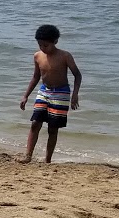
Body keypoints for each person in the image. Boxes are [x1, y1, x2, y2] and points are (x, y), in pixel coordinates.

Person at [19, 23, 83, 164]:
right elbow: (36, 77)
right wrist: (26, 95)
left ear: (55, 42)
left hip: (61, 92)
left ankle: (47, 160)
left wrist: (75, 95)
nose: (43, 48)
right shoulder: (37, 56)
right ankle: (27, 156)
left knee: (53, 128)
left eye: (46, 45)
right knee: (35, 123)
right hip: (44, 91)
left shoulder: (65, 56)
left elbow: (77, 75)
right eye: (40, 45)